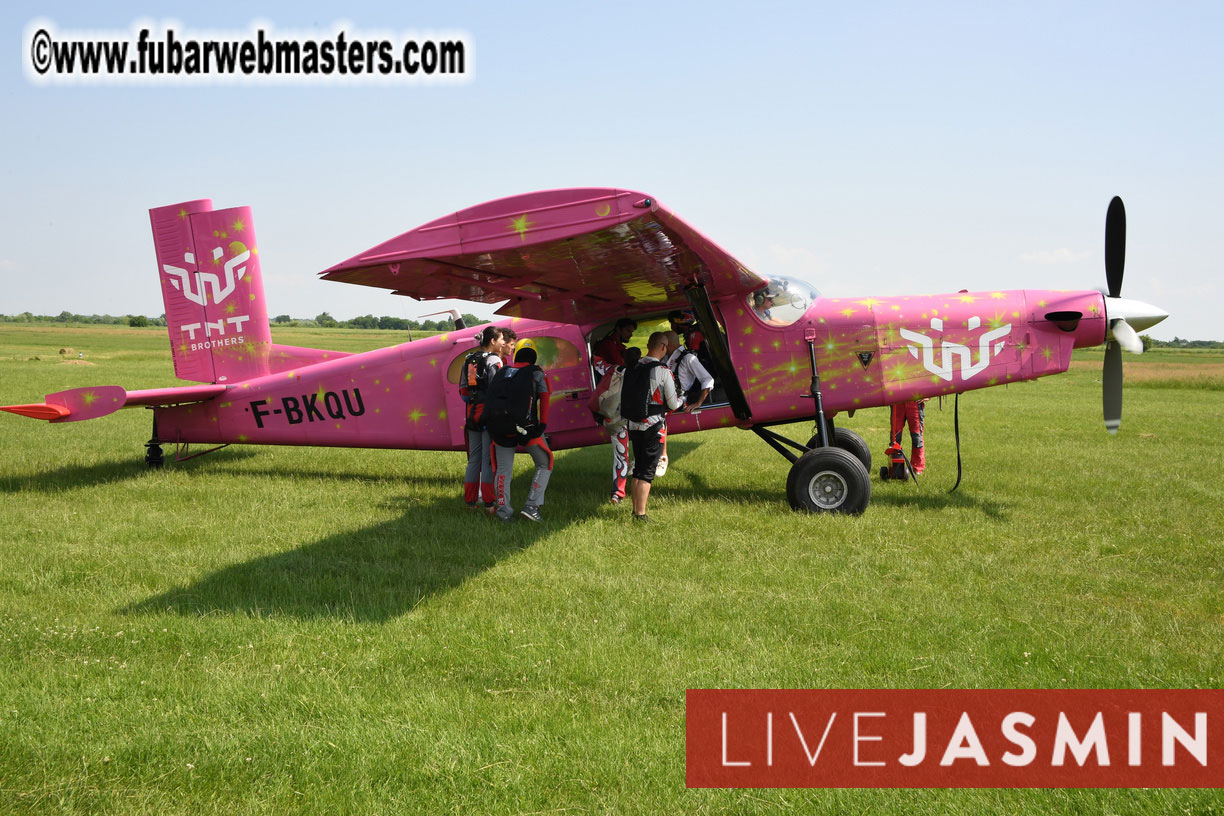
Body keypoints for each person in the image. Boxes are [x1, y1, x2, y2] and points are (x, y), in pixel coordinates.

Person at [485, 344, 553, 522]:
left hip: (499, 427)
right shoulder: (536, 372)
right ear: (533, 360)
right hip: (525, 427)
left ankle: (503, 512)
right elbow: (545, 397)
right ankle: (532, 506)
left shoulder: (503, 372)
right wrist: (542, 424)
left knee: (503, 470)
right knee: (545, 462)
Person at [621, 332, 682, 521]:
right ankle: (640, 515)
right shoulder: (663, 371)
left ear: (649, 344)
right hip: (653, 427)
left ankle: (635, 509)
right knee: (647, 471)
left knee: (638, 467)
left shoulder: (632, 367)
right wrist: (681, 399)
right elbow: (672, 404)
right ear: (664, 348)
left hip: (633, 425)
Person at [588, 346, 641, 504]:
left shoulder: (612, 369)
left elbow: (596, 362)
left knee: (621, 456)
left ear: (623, 359)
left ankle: (617, 494)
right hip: (637, 420)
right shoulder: (640, 374)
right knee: (643, 451)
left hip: (614, 419)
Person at [459, 326, 504, 508]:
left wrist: (473, 401)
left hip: (471, 413)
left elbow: (463, 391)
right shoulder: (495, 361)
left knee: (474, 459)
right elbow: (499, 390)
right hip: (488, 415)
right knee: (487, 459)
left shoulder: (469, 360)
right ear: (492, 341)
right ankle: (488, 501)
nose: (502, 343)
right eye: (501, 339)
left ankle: (470, 501)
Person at [889, 398, 927, 475]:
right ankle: (894, 467)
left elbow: (931, 385)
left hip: (915, 403)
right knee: (895, 438)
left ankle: (917, 468)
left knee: (917, 437)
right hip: (897, 402)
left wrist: (927, 395)